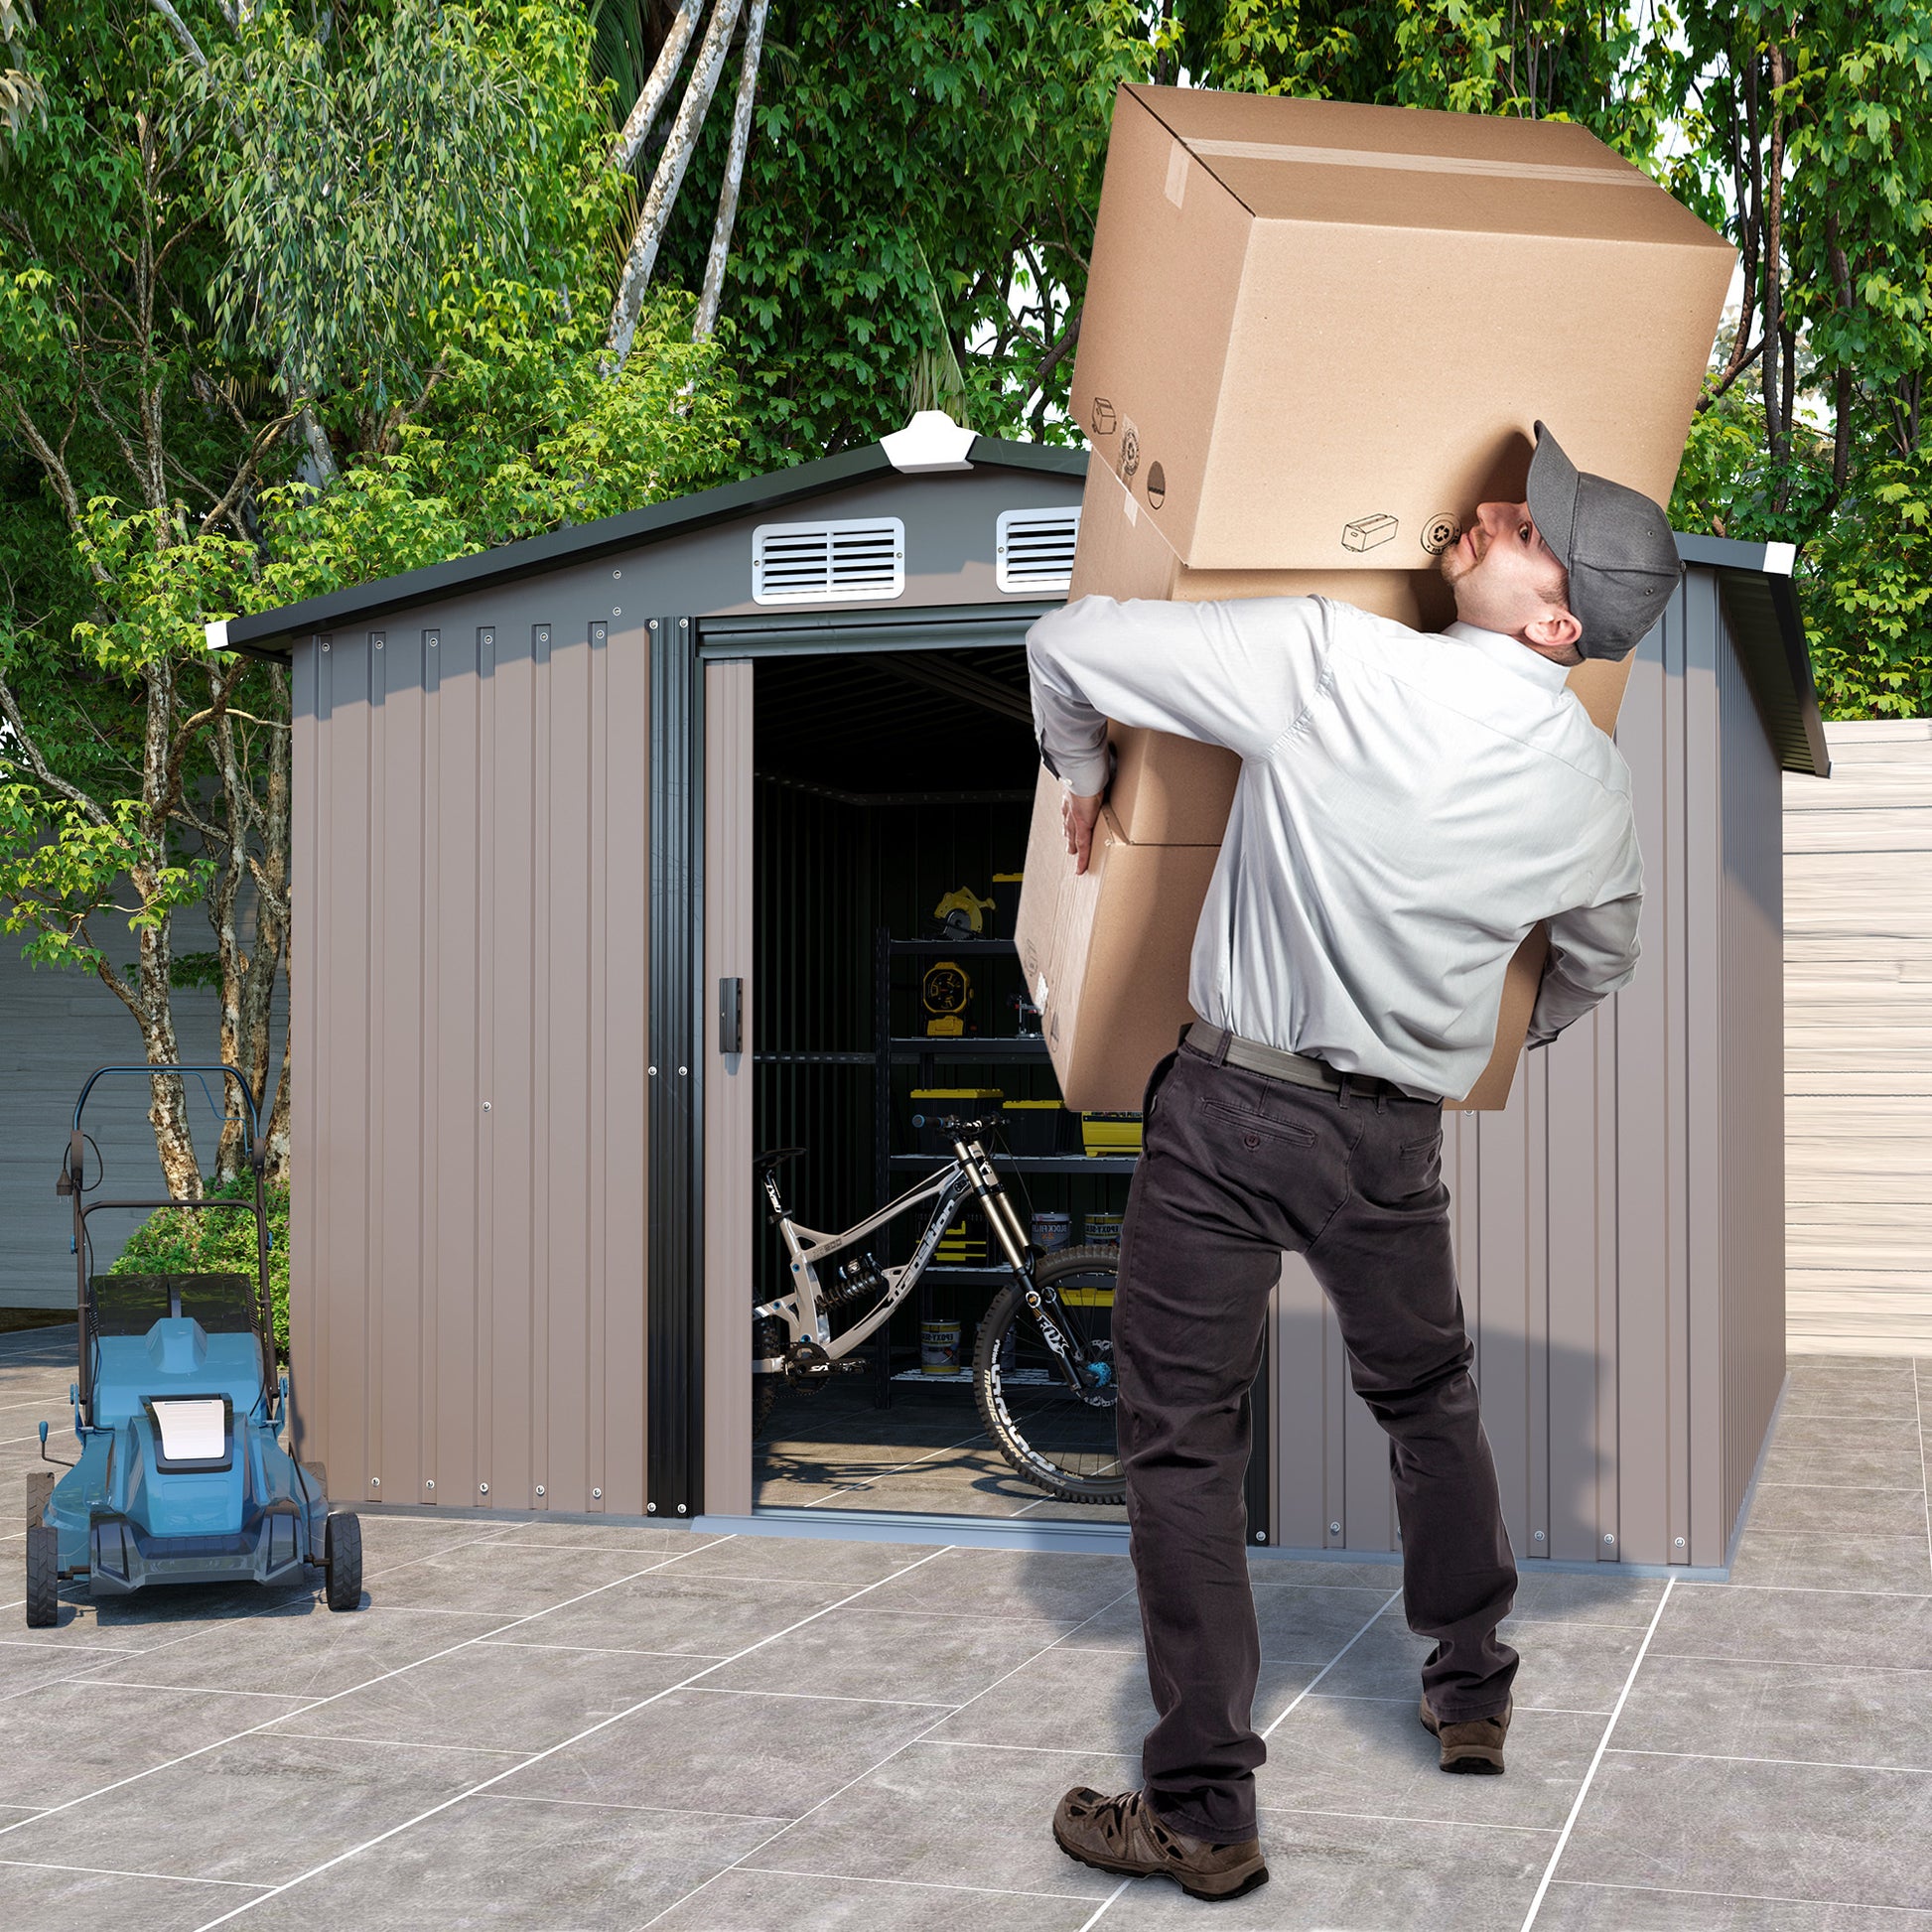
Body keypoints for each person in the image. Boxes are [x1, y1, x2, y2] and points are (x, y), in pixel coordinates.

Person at [1028, 422, 1679, 1904]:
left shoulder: (1333, 659)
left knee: (1182, 1438)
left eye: (1526, 524)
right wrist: (1498, 1031)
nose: (1493, 509)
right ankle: (1470, 1685)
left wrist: (1077, 775)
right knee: (1426, 1400)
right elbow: (1595, 965)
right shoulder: (1591, 790)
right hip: (1391, 1137)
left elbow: (1063, 642)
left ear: (1555, 615)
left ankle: (1201, 1811)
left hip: (1232, 1109)